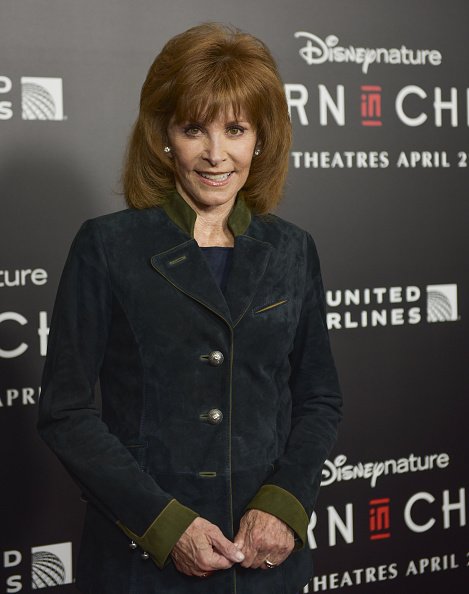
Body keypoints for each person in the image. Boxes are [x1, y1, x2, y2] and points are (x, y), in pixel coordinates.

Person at [38, 22, 342, 594]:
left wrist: (283, 504)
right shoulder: (108, 245)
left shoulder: (293, 249)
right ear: (163, 138)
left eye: (236, 129)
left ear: (262, 139)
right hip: (142, 565)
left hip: (266, 564)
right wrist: (165, 525)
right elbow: (65, 411)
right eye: (193, 128)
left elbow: (319, 396)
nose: (216, 153)